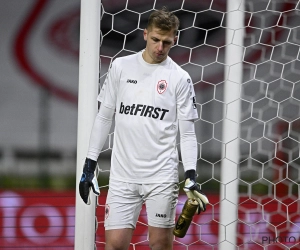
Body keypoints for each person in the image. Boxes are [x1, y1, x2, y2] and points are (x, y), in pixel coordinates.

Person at [79, 7, 209, 250]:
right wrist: (89, 165)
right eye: (156, 40)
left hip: (161, 176)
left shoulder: (180, 78)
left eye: (167, 42)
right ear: (145, 34)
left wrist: (191, 175)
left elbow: (188, 132)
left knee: (160, 244)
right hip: (122, 176)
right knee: (115, 245)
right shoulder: (120, 67)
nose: (160, 48)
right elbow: (104, 118)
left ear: (175, 40)